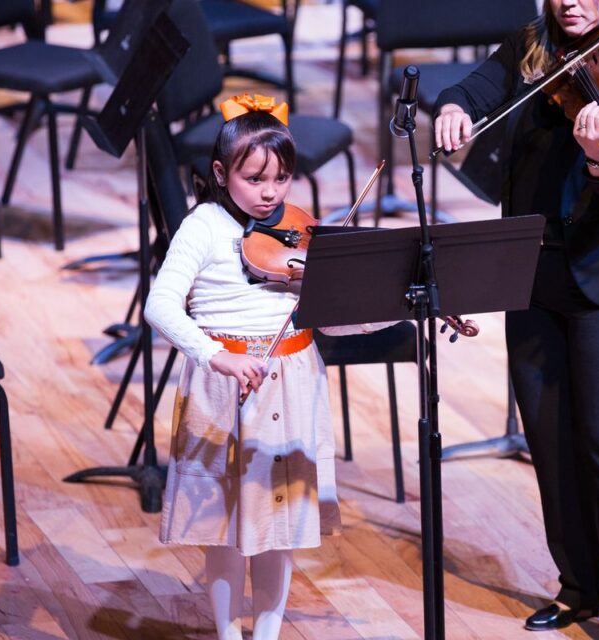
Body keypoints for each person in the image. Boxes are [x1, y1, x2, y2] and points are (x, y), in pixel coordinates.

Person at [434, 1, 599, 639]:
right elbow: (467, 89)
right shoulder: (528, 49)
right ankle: (580, 587)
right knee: (550, 440)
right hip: (537, 276)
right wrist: (454, 108)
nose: (571, 0)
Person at [144, 94, 386, 640]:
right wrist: (216, 355)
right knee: (226, 529)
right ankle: (230, 635)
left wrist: (382, 307)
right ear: (220, 172)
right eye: (255, 179)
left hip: (294, 380)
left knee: (280, 527)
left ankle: (269, 635)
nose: (271, 193)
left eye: (282, 178)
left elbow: (332, 318)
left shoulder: (297, 228)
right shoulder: (203, 226)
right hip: (225, 385)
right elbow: (159, 305)